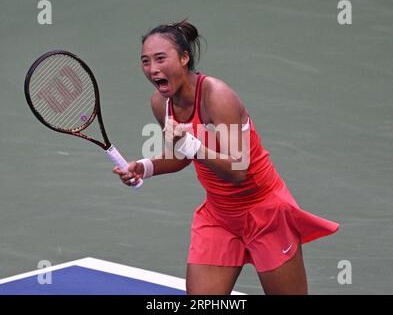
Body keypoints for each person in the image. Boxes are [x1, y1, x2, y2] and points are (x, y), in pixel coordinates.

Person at [112, 20, 340, 295]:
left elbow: (238, 170)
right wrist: (145, 167)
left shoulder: (218, 96)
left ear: (185, 58)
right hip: (219, 217)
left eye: (161, 58)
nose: (152, 69)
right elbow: (179, 156)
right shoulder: (160, 104)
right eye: (145, 61)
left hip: (265, 213)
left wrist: (192, 144)